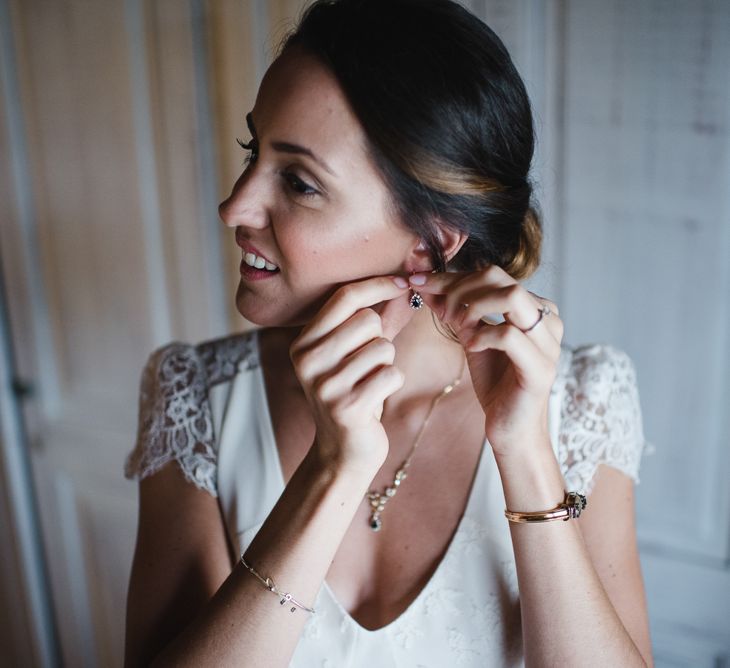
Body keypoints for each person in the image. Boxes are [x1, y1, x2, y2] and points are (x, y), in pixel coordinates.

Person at [123, 0, 653, 665]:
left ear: (429, 243)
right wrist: (331, 471)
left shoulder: (584, 401)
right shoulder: (191, 397)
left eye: (298, 181)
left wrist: (524, 452)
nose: (234, 205)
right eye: (253, 151)